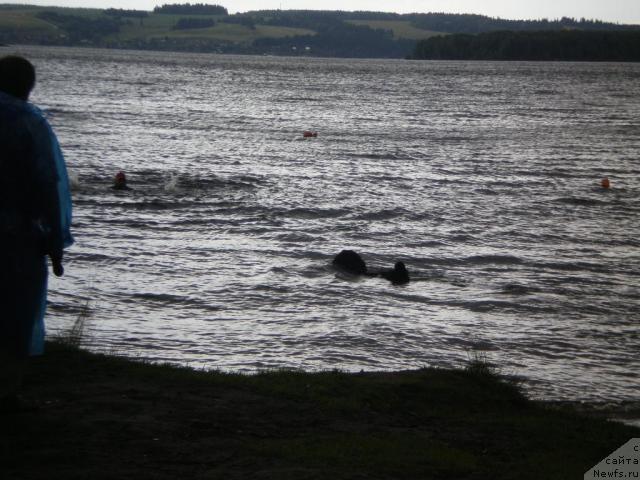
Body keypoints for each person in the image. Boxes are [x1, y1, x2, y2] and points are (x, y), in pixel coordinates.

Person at [0, 55, 73, 410]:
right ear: (28, 87)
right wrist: (56, 243)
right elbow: (49, 184)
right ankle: (8, 392)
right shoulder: (31, 124)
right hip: (15, 238)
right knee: (15, 312)